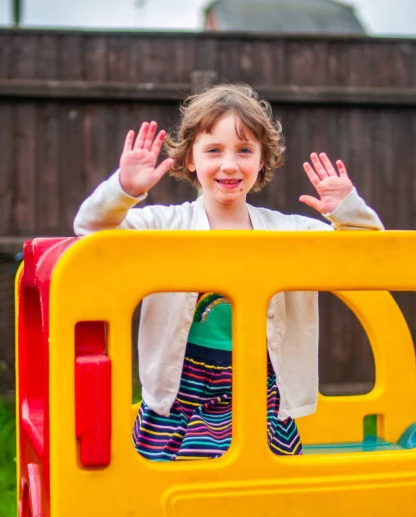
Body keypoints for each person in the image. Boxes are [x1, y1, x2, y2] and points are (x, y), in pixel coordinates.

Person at [73, 83, 384, 461]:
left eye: (244, 150)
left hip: (259, 384)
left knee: (258, 483)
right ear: (190, 159)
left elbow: (371, 254)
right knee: (175, 483)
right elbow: (91, 229)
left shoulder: (286, 232)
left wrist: (346, 209)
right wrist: (123, 190)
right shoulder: (166, 225)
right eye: (214, 151)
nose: (230, 164)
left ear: (262, 160)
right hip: (183, 387)